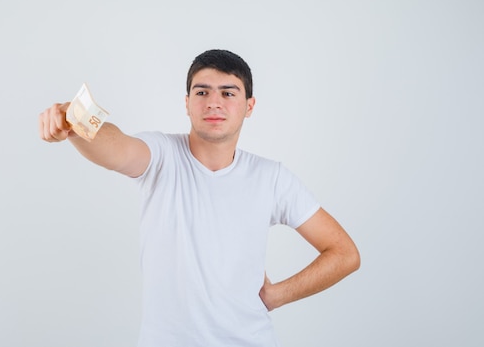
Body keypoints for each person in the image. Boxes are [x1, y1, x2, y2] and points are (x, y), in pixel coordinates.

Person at [38, 49, 360, 347]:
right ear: (187, 102)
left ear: (249, 106)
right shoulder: (162, 156)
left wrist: (277, 295)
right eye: (202, 92)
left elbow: (344, 253)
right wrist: (76, 121)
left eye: (228, 93)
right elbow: (116, 147)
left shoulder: (272, 178)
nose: (213, 102)